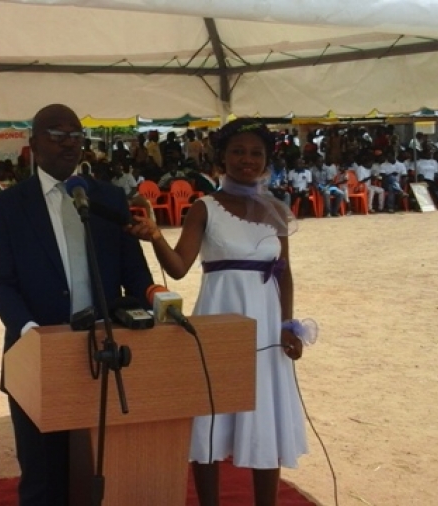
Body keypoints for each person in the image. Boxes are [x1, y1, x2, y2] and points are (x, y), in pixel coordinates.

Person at [127, 120, 306, 506]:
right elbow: (178, 267)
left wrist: (288, 324)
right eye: (238, 151)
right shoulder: (204, 208)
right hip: (218, 318)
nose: (247, 159)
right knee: (210, 411)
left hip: (266, 324)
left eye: (256, 153)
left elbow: (284, 271)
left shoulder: (276, 209)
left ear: (266, 160)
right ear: (221, 157)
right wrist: (155, 236)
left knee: (264, 408)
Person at [0, 103, 154, 506]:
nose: (69, 143)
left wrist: (152, 306)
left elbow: (136, 274)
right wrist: (31, 333)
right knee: (44, 478)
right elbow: (0, 282)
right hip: (37, 354)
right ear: (33, 144)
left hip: (106, 353)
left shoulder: (108, 198)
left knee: (105, 470)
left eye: (76, 135)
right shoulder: (7, 206)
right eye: (57, 135)